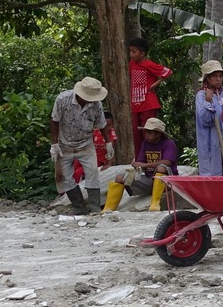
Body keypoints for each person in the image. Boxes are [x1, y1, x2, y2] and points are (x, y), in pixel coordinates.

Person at [51, 77, 108, 214]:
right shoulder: (62, 100)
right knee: (63, 177)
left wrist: (109, 142)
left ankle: (94, 207)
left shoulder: (96, 104)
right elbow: (54, 121)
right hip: (64, 144)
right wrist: (54, 144)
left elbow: (102, 124)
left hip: (86, 144)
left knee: (92, 173)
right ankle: (79, 207)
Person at [103, 118, 179, 212]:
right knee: (120, 178)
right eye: (145, 131)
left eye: (149, 132)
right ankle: (108, 208)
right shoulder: (145, 143)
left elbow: (167, 162)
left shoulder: (169, 144)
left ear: (158, 134)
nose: (146, 134)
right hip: (150, 179)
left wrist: (144, 165)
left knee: (162, 168)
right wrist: (136, 165)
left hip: (167, 182)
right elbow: (140, 162)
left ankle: (155, 203)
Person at [128, 38, 172, 151]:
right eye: (130, 51)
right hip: (135, 104)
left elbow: (167, 72)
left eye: (134, 52)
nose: (131, 54)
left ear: (142, 53)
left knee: (149, 133)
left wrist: (156, 84)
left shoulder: (148, 64)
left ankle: (152, 157)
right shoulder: (132, 63)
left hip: (148, 103)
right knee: (136, 134)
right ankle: (139, 159)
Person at [73, 110, 118, 186]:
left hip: (98, 161)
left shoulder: (111, 133)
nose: (107, 128)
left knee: (78, 172)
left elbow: (111, 150)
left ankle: (76, 187)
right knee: (75, 163)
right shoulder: (96, 131)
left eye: (109, 125)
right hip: (90, 156)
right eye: (105, 125)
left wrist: (109, 163)